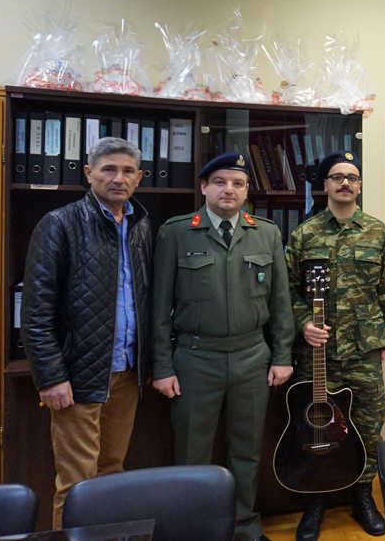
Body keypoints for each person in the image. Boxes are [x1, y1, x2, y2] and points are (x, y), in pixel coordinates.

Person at [150, 151, 294, 541]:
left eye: (238, 183)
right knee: (192, 453)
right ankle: (193, 531)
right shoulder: (177, 233)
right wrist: (162, 366)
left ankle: (245, 526)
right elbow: (158, 308)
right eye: (219, 182)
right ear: (204, 187)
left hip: (252, 357)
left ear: (246, 190)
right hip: (196, 358)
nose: (229, 189)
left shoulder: (266, 233)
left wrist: (282, 356)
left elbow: (281, 303)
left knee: (247, 451)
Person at [21, 137, 153, 528]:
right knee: (77, 484)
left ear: (139, 178)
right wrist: (50, 376)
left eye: (128, 171)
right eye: (109, 169)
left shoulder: (142, 226)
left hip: (127, 373)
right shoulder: (60, 224)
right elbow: (36, 311)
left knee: (111, 475)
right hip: (78, 377)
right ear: (89, 173)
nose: (118, 179)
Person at [285, 152, 385, 541]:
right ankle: (316, 502)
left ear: (359, 186)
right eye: (337, 177)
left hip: (364, 351)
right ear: (325, 185)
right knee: (314, 430)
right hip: (317, 355)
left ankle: (362, 497)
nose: (345, 183)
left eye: (352, 177)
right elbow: (287, 291)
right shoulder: (305, 234)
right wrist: (303, 323)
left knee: (367, 428)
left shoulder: (377, 232)